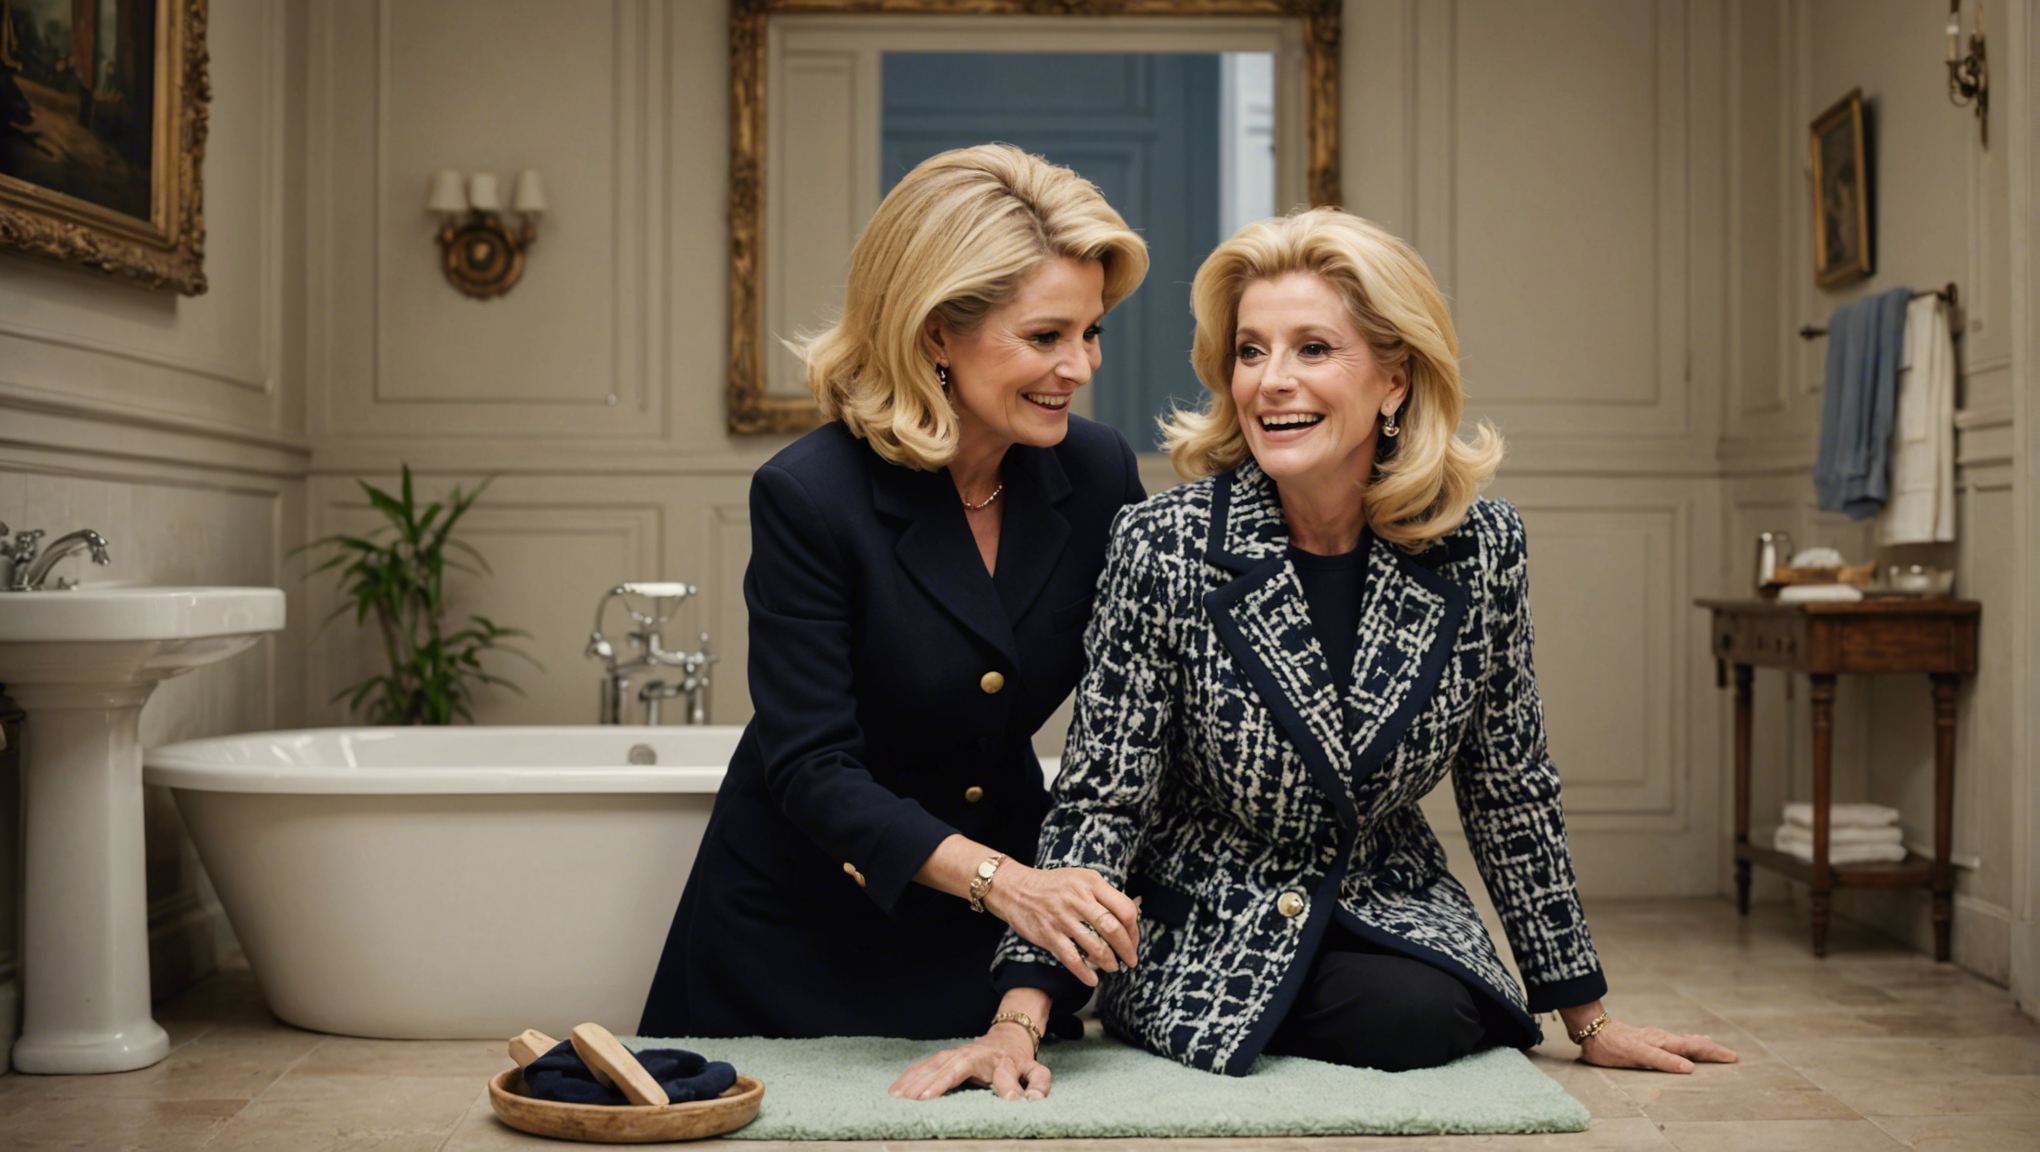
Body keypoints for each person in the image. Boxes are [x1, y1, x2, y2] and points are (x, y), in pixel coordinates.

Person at [892, 207, 1736, 1099]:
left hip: (1389, 905)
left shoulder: (1480, 548)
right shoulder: (1162, 543)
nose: (1271, 383)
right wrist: (1019, 1019)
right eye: (1251, 352)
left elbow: (1510, 787)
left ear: (1396, 378)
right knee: (1407, 1017)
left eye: (1312, 350)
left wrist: (1588, 1017)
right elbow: (1104, 795)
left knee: (1430, 1013)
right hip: (1201, 915)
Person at [639, 145, 1151, 1062]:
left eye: (1093, 331)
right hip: (796, 933)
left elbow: (1129, 724)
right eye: (1046, 336)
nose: (1081, 366)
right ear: (931, 335)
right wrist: (1010, 887)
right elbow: (812, 769)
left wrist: (1030, 931)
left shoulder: (1099, 470)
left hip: (984, 944)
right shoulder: (809, 494)